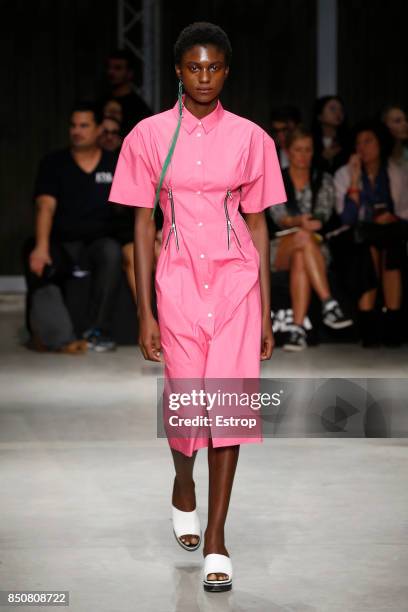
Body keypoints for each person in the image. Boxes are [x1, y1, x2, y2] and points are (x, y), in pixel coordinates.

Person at [109, 22, 286, 592]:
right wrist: (144, 311)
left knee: (228, 410)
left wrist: (265, 309)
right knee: (189, 410)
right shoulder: (148, 135)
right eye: (193, 68)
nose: (204, 77)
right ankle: (182, 478)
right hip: (178, 282)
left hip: (236, 283)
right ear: (178, 72)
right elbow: (141, 222)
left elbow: (258, 223)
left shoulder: (253, 138)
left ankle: (216, 539)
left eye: (214, 67)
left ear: (226, 71)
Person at [25, 102, 122, 353]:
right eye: (73, 125)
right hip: (62, 243)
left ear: (99, 129)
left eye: (84, 125)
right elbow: (45, 206)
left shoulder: (114, 164)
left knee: (111, 251)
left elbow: (132, 208)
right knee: (37, 258)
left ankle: (97, 330)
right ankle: (53, 335)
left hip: (98, 243)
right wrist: (42, 247)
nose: (77, 131)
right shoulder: (54, 163)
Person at [268, 126, 352, 351]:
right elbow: (278, 216)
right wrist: (297, 222)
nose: (303, 155)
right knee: (302, 239)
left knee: (301, 256)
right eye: (298, 150)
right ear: (288, 151)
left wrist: (308, 223)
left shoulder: (322, 179)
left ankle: (296, 330)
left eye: (308, 150)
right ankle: (328, 303)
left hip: (313, 245)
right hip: (281, 244)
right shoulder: (277, 177)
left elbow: (323, 215)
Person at [334, 120, 408, 347]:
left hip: (390, 234)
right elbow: (346, 219)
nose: (362, 147)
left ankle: (393, 323)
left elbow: (405, 211)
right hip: (354, 237)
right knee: (369, 248)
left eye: (368, 141)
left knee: (390, 244)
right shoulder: (344, 173)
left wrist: (391, 218)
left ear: (380, 144)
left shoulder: (396, 172)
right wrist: (355, 179)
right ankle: (369, 326)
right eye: (358, 143)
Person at [104, 49, 152, 135]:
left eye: (118, 68)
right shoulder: (101, 102)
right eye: (109, 67)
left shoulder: (139, 108)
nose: (111, 72)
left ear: (129, 73)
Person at [312, 95, 350, 174]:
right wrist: (323, 158)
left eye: (341, 110)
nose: (338, 113)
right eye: (332, 109)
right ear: (319, 116)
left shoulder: (348, 140)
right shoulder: (310, 140)